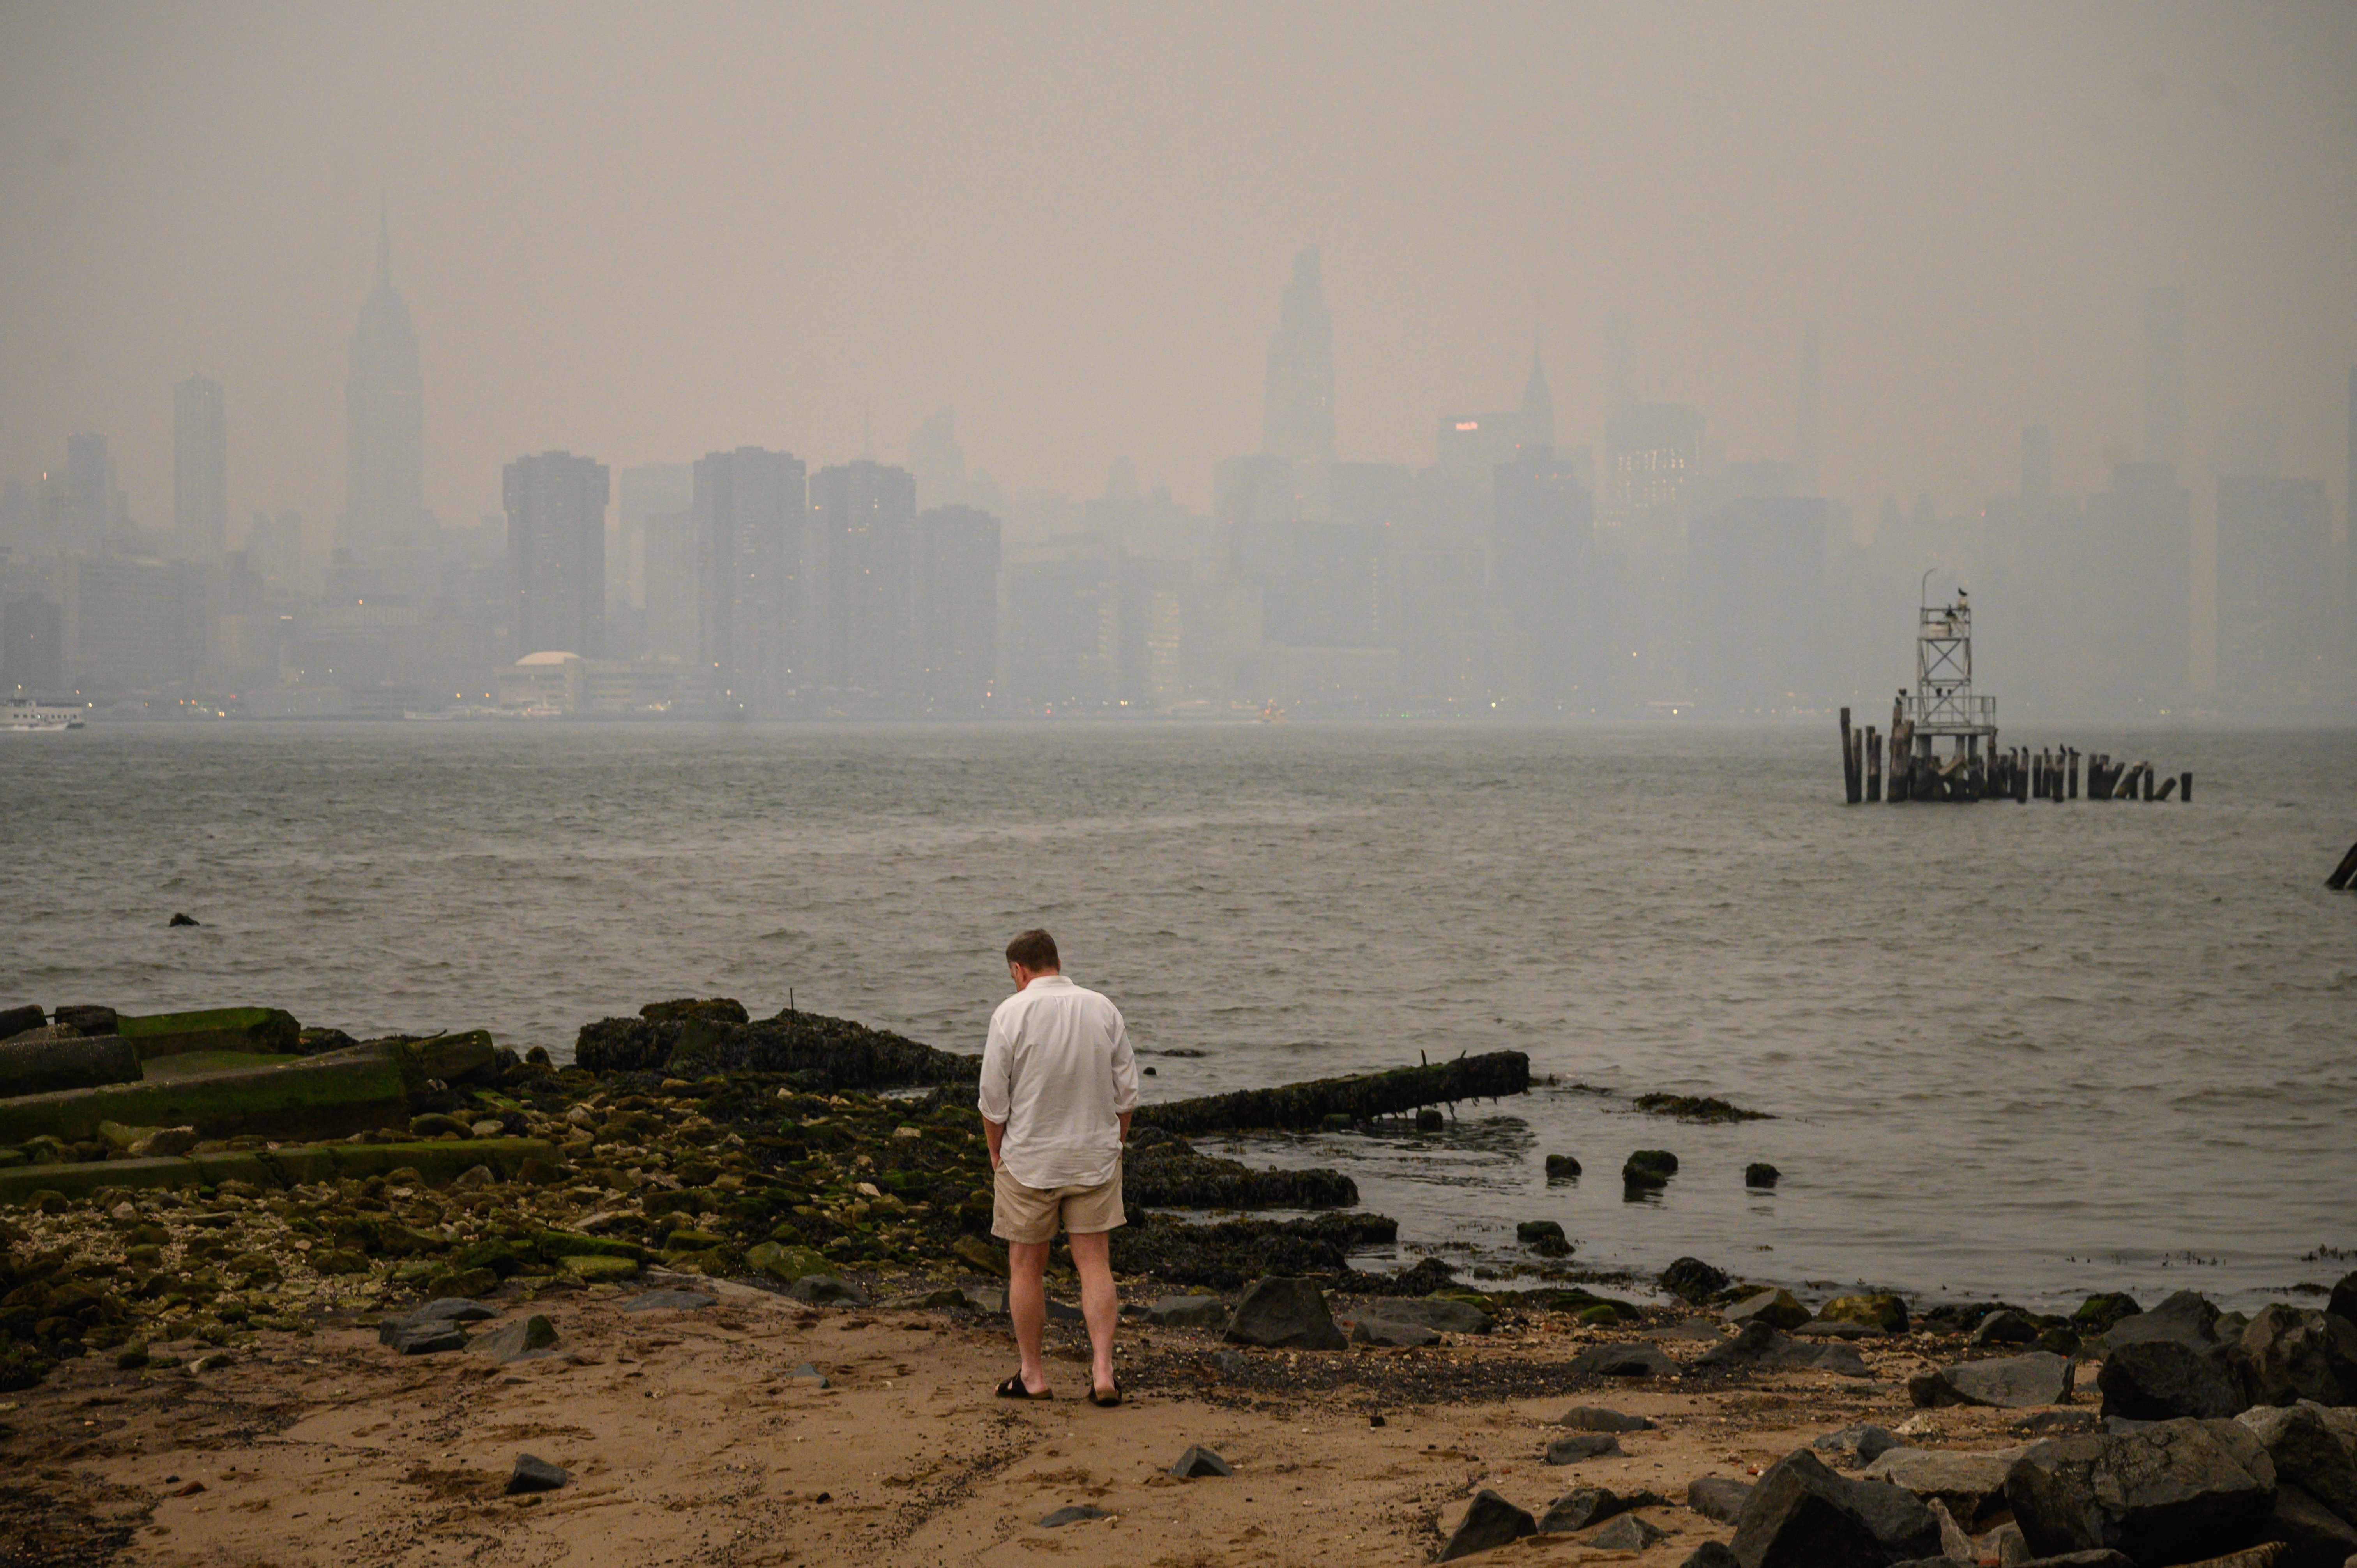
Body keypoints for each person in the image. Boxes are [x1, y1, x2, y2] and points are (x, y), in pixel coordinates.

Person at [977, 927, 1137, 1405]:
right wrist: (1116, 1143)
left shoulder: (1010, 1013)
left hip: (1029, 1160)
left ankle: (1033, 1375)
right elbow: (1127, 1094)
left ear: (1019, 971)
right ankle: (1104, 1372)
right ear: (1057, 962)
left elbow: (993, 1101)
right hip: (1094, 1157)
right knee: (1095, 1264)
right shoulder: (1102, 1008)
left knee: (1026, 1266)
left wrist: (995, 1153)